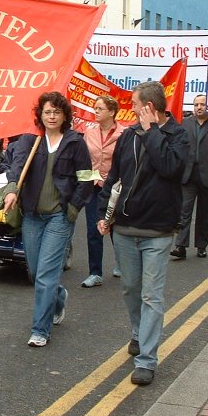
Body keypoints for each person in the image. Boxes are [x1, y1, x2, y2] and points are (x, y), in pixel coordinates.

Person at [97, 81, 189, 386]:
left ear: (150, 107)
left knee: (152, 295)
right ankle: (138, 334)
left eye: (135, 104)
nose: (131, 109)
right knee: (130, 288)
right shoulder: (128, 137)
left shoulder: (178, 135)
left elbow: (170, 168)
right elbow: (115, 177)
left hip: (158, 231)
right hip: (125, 228)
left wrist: (152, 132)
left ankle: (147, 359)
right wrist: (103, 214)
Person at [3, 91, 92, 348]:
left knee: (45, 275)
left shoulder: (75, 142)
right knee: (35, 273)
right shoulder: (31, 140)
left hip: (59, 217)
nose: (52, 116)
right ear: (40, 115)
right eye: (47, 112)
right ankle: (58, 296)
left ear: (65, 115)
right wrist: (11, 190)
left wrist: (74, 207)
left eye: (56, 112)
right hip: (32, 215)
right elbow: (16, 167)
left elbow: (86, 178)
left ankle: (40, 330)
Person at [172, 95, 208, 259]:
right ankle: (180, 246)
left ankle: (201, 245)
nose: (199, 107)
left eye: (202, 104)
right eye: (196, 104)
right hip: (188, 174)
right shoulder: (185, 123)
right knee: (184, 211)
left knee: (205, 213)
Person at [81, 95, 125, 287]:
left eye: (99, 108)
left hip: (116, 188)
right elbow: (81, 162)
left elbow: (127, 163)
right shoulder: (88, 132)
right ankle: (95, 273)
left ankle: (123, 264)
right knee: (94, 228)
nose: (95, 112)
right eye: (95, 108)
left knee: (116, 228)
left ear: (112, 112)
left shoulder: (124, 134)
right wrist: (91, 177)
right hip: (93, 188)